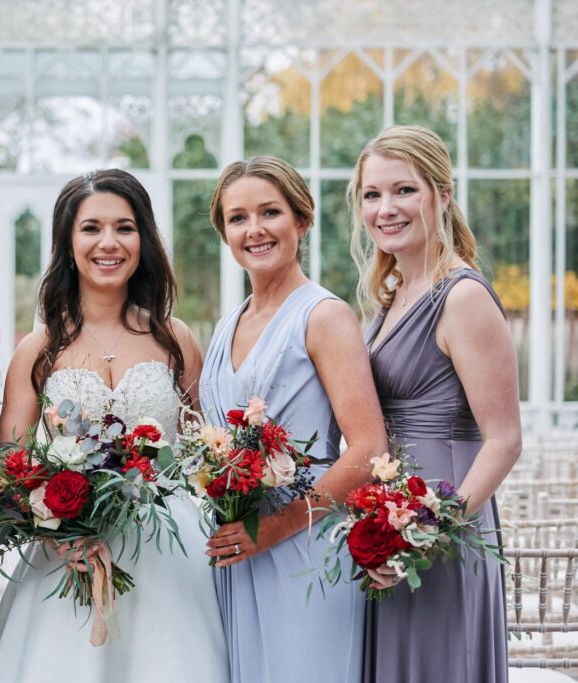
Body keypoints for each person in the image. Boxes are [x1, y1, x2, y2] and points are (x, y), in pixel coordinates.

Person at [0, 169, 229, 682]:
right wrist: (56, 534)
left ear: (143, 239)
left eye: (124, 227)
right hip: (69, 555)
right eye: (91, 228)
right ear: (67, 242)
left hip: (169, 550)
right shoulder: (39, 349)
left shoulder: (174, 338)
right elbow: (7, 465)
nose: (108, 243)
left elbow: (204, 452)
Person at [200, 156, 387, 683]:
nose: (254, 230)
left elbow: (370, 448)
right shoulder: (225, 324)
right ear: (224, 233)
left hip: (305, 545)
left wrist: (276, 527)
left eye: (270, 212)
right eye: (237, 218)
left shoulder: (324, 316)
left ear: (300, 221)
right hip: (239, 547)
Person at [348, 124, 520, 683]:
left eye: (404, 190)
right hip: (389, 527)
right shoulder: (392, 297)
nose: (385, 208)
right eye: (372, 195)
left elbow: (504, 439)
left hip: (442, 528)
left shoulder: (462, 296)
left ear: (441, 195)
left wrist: (427, 533)